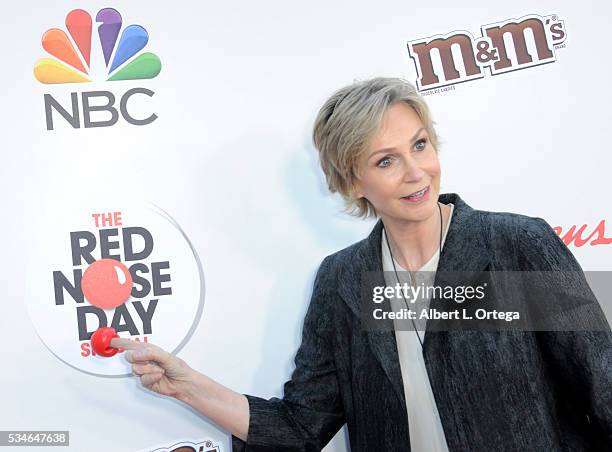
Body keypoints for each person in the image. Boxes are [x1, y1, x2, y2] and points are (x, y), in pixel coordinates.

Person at [113, 77, 612, 451]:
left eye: (420, 144)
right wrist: (188, 386)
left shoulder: (515, 246)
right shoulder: (343, 281)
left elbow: (603, 386)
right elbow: (302, 426)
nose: (416, 172)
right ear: (352, 183)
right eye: (386, 160)